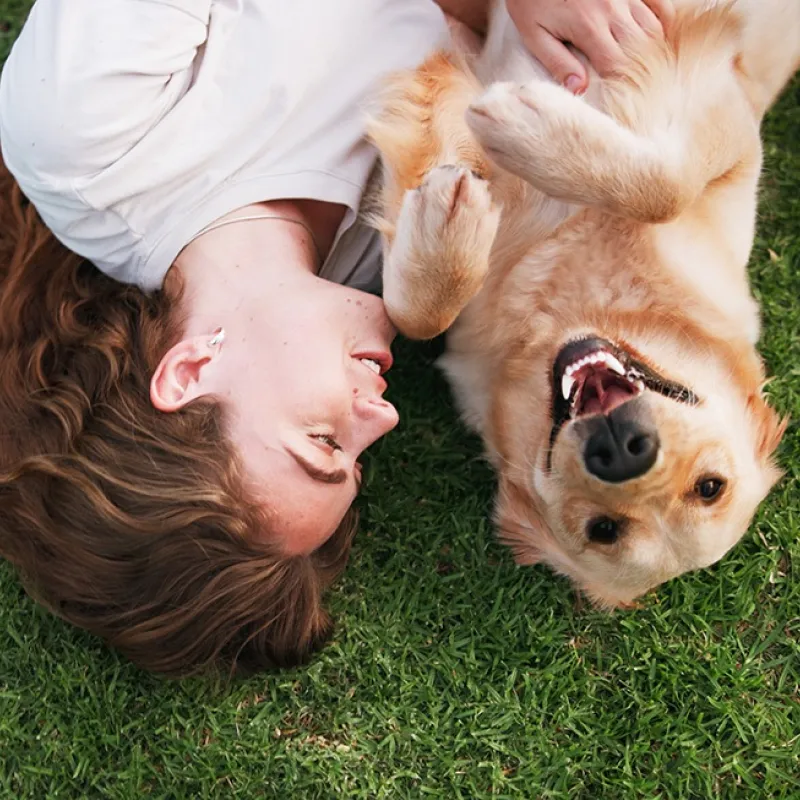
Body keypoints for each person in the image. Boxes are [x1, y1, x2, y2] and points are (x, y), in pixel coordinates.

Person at [0, 0, 672, 676]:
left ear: (190, 372)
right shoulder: (387, 265)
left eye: (323, 442)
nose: (384, 418)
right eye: (358, 462)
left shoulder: (88, 139)